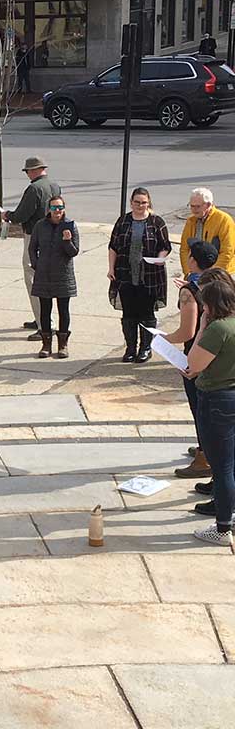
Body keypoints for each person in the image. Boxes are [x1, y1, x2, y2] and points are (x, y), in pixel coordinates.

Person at [185, 271, 235, 547]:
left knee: (223, 466)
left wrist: (203, 325)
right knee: (233, 463)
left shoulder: (218, 329)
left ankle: (223, 527)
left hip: (217, 399)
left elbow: (194, 363)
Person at [165, 243, 220, 482]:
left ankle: (204, 457)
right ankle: (205, 449)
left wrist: (162, 338)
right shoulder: (221, 281)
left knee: (199, 407)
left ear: (193, 260)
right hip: (218, 351)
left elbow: (187, 331)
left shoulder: (189, 290)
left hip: (196, 352)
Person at [108, 187, 171, 363]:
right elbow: (113, 246)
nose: (140, 205)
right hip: (125, 274)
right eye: (137, 202)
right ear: (131, 203)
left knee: (146, 314)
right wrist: (111, 268)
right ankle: (130, 348)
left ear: (148, 202)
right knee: (128, 314)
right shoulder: (123, 221)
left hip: (149, 276)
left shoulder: (156, 222)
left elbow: (165, 246)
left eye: (143, 202)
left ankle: (145, 348)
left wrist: (159, 258)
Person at [3, 156, 62, 339]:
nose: (27, 174)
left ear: (34, 170)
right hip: (53, 235)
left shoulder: (33, 189)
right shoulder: (54, 186)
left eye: (28, 171)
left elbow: (22, 214)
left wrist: (8, 215)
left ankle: (44, 324)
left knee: (34, 280)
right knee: (46, 280)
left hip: (35, 237)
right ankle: (43, 320)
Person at [29, 196, 79, 359]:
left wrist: (67, 240)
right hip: (44, 273)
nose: (57, 211)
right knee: (45, 309)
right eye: (54, 208)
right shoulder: (40, 225)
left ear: (64, 208)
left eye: (60, 208)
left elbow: (74, 252)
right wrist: (36, 264)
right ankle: (46, 344)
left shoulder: (70, 226)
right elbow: (32, 247)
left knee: (63, 310)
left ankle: (63, 344)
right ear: (48, 209)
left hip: (63, 274)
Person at [179, 187, 235, 276]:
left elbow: (227, 252)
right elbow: (184, 249)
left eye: (197, 206)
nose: (194, 209)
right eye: (191, 206)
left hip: (219, 274)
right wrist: (188, 272)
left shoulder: (224, 220)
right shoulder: (191, 221)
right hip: (196, 272)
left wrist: (209, 274)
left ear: (208, 205)